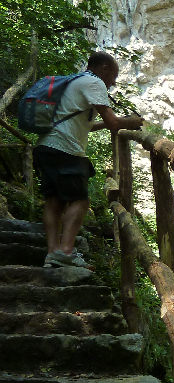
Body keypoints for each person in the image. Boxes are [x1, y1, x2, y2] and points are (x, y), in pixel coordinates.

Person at [34, 51, 143, 269]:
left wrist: (109, 123)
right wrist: (133, 122)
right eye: (113, 76)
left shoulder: (76, 81)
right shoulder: (94, 83)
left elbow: (89, 125)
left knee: (54, 200)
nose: (113, 82)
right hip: (65, 149)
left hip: (47, 146)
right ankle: (65, 251)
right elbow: (113, 122)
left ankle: (53, 251)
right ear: (104, 69)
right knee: (80, 201)